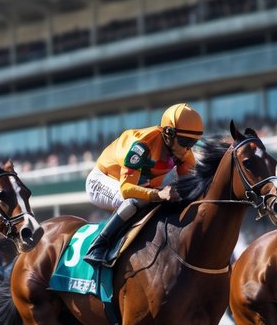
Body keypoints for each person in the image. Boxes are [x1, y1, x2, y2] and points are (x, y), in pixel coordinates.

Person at [82, 103, 203, 265]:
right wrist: (157, 194)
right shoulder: (142, 145)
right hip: (102, 180)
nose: (188, 148)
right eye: (184, 141)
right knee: (135, 202)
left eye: (193, 143)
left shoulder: (184, 154)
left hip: (138, 185)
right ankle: (99, 245)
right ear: (169, 133)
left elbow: (191, 191)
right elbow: (126, 190)